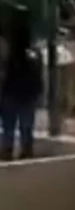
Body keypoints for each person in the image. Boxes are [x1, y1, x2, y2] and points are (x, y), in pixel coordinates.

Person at [0, 10, 43, 161]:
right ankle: (25, 153)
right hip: (26, 95)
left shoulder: (7, 49)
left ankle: (8, 153)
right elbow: (38, 75)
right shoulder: (33, 52)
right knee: (25, 128)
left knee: (9, 130)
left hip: (11, 94)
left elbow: (3, 72)